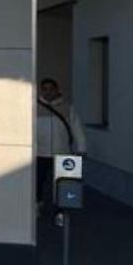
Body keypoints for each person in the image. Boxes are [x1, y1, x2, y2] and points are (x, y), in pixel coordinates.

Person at [35, 78, 86, 212]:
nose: (48, 92)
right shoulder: (34, 108)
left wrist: (82, 147)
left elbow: (77, 128)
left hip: (62, 153)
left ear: (56, 90)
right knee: (38, 182)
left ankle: (61, 211)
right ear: (41, 90)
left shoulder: (67, 107)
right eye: (44, 89)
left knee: (62, 184)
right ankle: (37, 205)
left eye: (51, 89)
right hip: (40, 153)